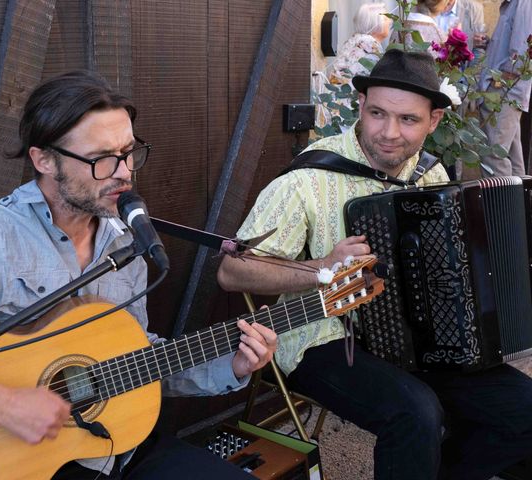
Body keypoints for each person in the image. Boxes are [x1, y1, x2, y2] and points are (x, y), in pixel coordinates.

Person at [0, 70, 277, 479]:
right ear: (43, 160)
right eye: (101, 159)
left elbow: (134, 358)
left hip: (115, 446)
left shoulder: (124, 240)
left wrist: (231, 366)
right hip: (20, 461)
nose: (125, 172)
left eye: (128, 152)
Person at [218, 49, 532, 480]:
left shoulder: (430, 177)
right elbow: (232, 271)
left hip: (415, 339)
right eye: (378, 114)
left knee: (523, 410)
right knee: (416, 413)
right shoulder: (307, 178)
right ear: (361, 107)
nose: (389, 133)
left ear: (433, 121)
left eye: (408, 120)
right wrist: (324, 265)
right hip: (321, 337)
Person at [479, 0, 532, 177]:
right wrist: (489, 44)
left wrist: (498, 79)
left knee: (493, 156)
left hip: (503, 90)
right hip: (505, 90)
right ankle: (519, 203)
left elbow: (523, 54)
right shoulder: (514, 3)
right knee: (510, 155)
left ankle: (499, 205)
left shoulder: (524, 3)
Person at [328, 3, 391, 85]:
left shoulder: (356, 39)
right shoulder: (369, 43)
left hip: (341, 93)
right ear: (375, 23)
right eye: (386, 19)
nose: (390, 22)